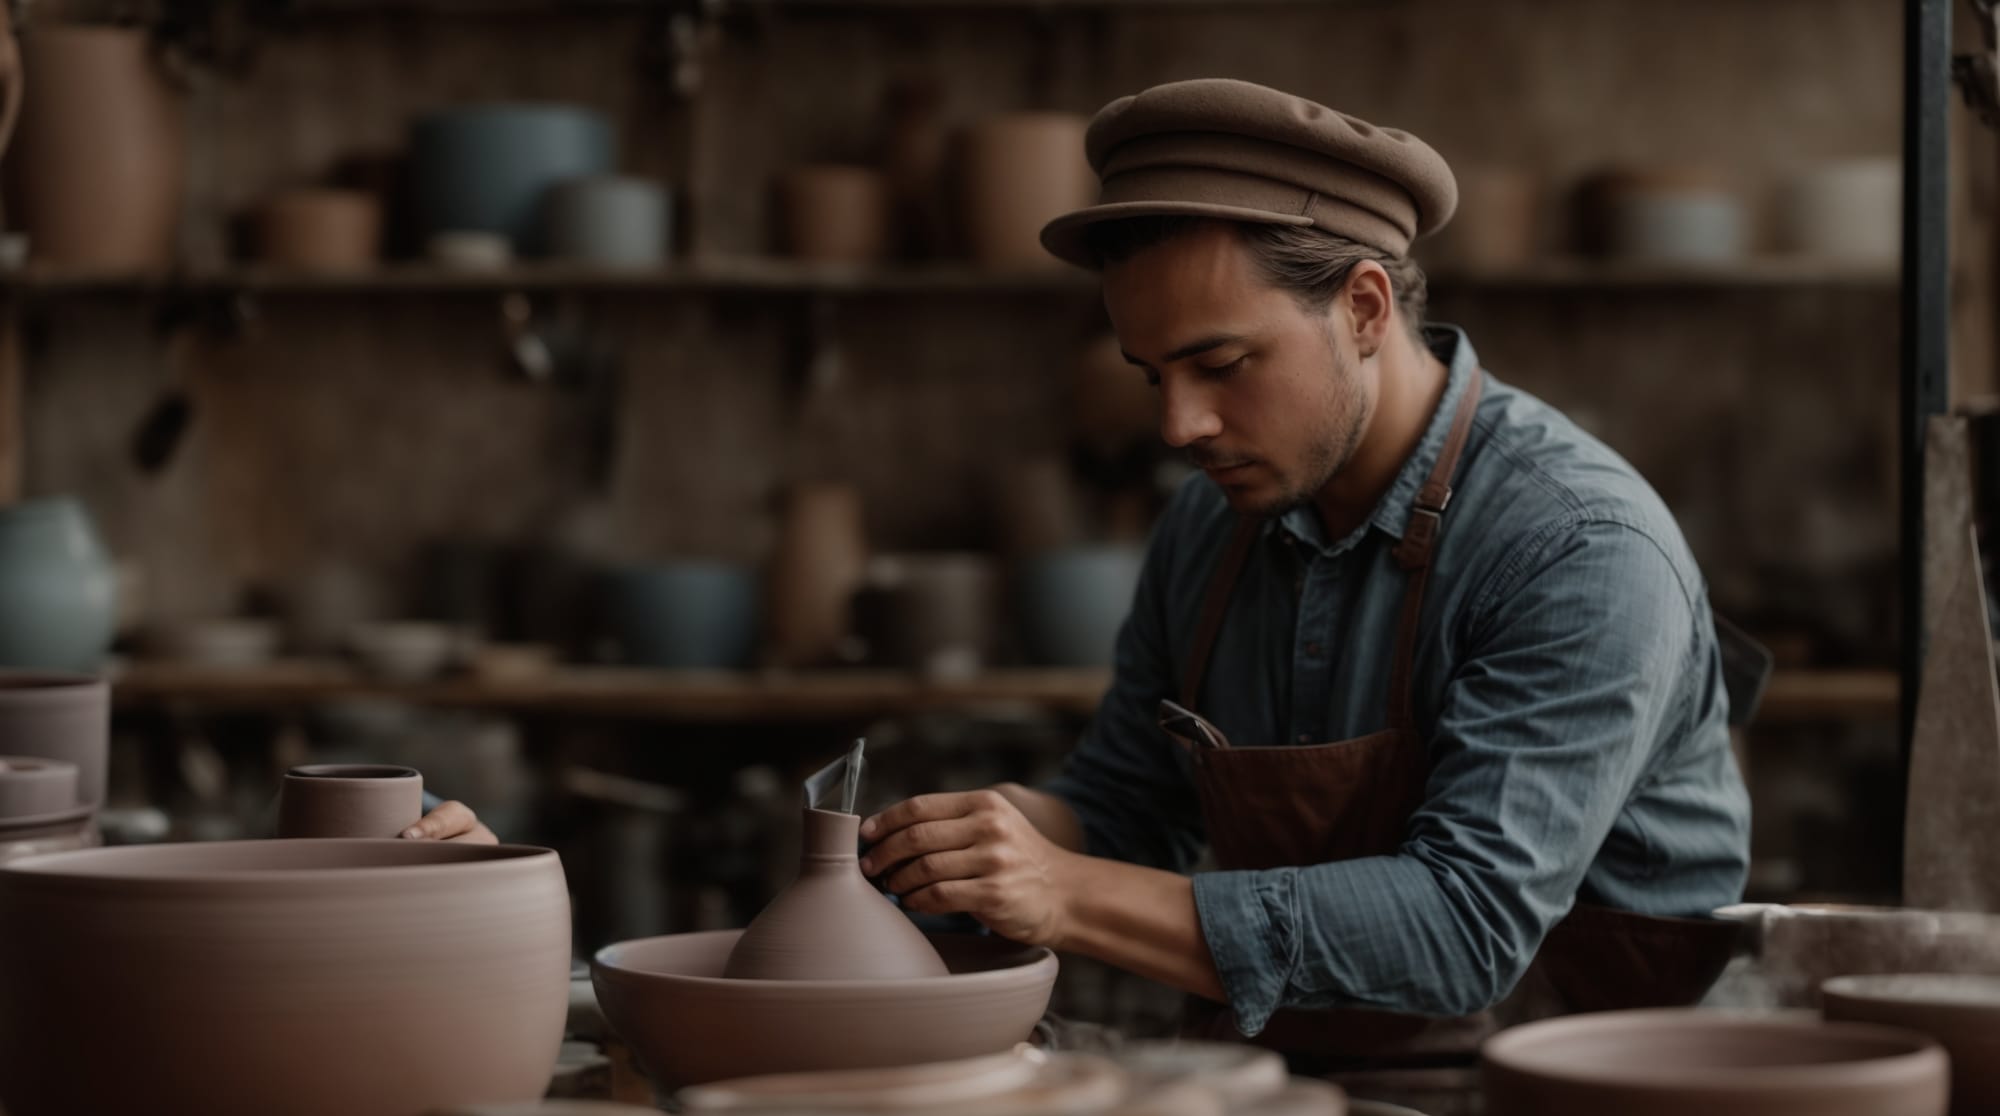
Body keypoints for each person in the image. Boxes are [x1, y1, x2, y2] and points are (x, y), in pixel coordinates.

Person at [858, 78, 1751, 1089]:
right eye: (1153, 375)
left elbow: (1465, 927)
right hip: (1288, 1085)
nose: (1177, 427)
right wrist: (988, 840)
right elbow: (1126, 801)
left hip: (1572, 1095)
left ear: (1363, 307)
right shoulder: (1210, 520)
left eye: (1222, 363)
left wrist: (1059, 892)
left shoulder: (1578, 545)